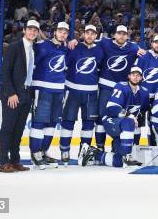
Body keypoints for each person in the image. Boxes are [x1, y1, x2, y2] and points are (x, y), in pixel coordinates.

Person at [79, 66, 150, 168]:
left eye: (138, 75)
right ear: (129, 76)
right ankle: (127, 156)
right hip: (111, 120)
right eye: (133, 74)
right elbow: (112, 108)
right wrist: (129, 116)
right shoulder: (121, 86)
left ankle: (94, 153)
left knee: (119, 162)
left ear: (141, 78)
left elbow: (142, 112)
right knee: (128, 122)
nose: (135, 77)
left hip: (125, 129)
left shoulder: (144, 92)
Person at [0, 19, 39, 173]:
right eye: (30, 29)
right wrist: (11, 93)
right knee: (8, 128)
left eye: (35, 30)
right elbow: (5, 72)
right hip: (13, 95)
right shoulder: (14, 47)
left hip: (26, 94)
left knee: (19, 130)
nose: (32, 32)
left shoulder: (34, 49)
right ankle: (4, 162)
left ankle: (15, 161)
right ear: (24, 30)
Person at [59, 24, 104, 165]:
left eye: (93, 33)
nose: (90, 35)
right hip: (72, 91)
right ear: (83, 34)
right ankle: (64, 150)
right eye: (87, 33)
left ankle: (84, 152)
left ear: (96, 36)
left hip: (91, 93)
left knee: (89, 124)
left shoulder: (100, 50)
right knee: (68, 121)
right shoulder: (73, 47)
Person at [29, 21, 69, 169]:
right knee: (39, 122)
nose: (62, 34)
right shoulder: (42, 46)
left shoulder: (66, 48)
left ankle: (43, 152)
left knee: (52, 123)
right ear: (55, 32)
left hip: (59, 91)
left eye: (65, 32)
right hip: (42, 89)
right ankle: (35, 153)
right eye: (60, 31)